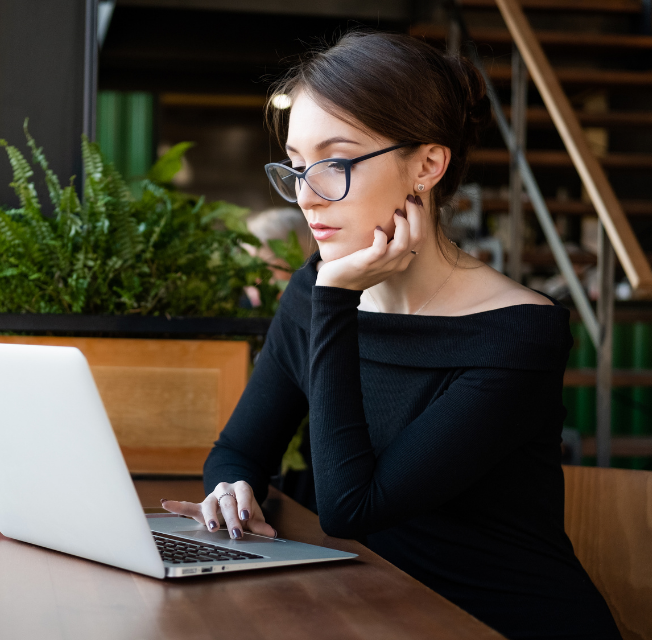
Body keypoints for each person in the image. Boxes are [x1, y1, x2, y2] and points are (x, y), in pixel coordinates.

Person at [161, 31, 621, 639]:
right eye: (298, 167)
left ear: (428, 166)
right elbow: (240, 450)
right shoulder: (315, 293)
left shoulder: (518, 334)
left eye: (335, 163)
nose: (307, 195)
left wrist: (336, 303)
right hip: (373, 609)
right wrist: (232, 491)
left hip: (498, 623)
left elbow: (353, 509)